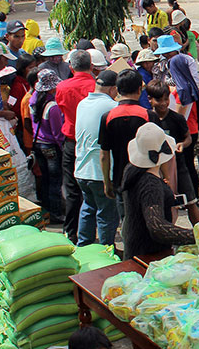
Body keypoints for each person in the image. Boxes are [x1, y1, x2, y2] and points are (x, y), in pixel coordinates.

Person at [120, 123, 195, 260]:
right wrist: (196, 235)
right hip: (148, 254)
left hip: (134, 245)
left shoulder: (132, 170)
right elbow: (157, 228)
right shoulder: (150, 184)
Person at [74, 70, 119, 247]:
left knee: (88, 208)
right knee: (106, 214)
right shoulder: (112, 107)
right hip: (101, 172)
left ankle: (83, 246)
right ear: (113, 89)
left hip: (81, 169)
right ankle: (105, 251)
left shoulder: (82, 104)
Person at [55, 50, 97, 242]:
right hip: (94, 142)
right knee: (96, 187)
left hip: (72, 141)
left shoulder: (62, 87)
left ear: (71, 67)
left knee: (72, 189)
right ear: (91, 66)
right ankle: (95, 230)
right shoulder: (97, 86)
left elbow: (62, 109)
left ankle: (70, 232)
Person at [146, 80, 199, 226]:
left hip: (178, 165)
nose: (163, 103)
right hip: (156, 168)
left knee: (190, 201)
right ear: (150, 99)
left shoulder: (177, 118)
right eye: (159, 100)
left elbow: (188, 137)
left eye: (166, 99)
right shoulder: (148, 119)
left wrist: (182, 144)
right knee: (161, 204)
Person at [100, 69, 159, 199]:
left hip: (120, 179)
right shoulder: (149, 116)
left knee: (125, 217)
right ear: (139, 89)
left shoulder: (107, 117)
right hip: (146, 178)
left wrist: (107, 182)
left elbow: (104, 155)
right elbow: (160, 150)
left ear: (118, 90)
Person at [30, 69, 65, 224]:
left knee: (44, 178)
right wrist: (64, 149)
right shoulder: (52, 107)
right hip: (50, 146)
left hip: (38, 143)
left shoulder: (33, 99)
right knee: (55, 181)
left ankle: (46, 209)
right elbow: (58, 134)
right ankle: (56, 212)